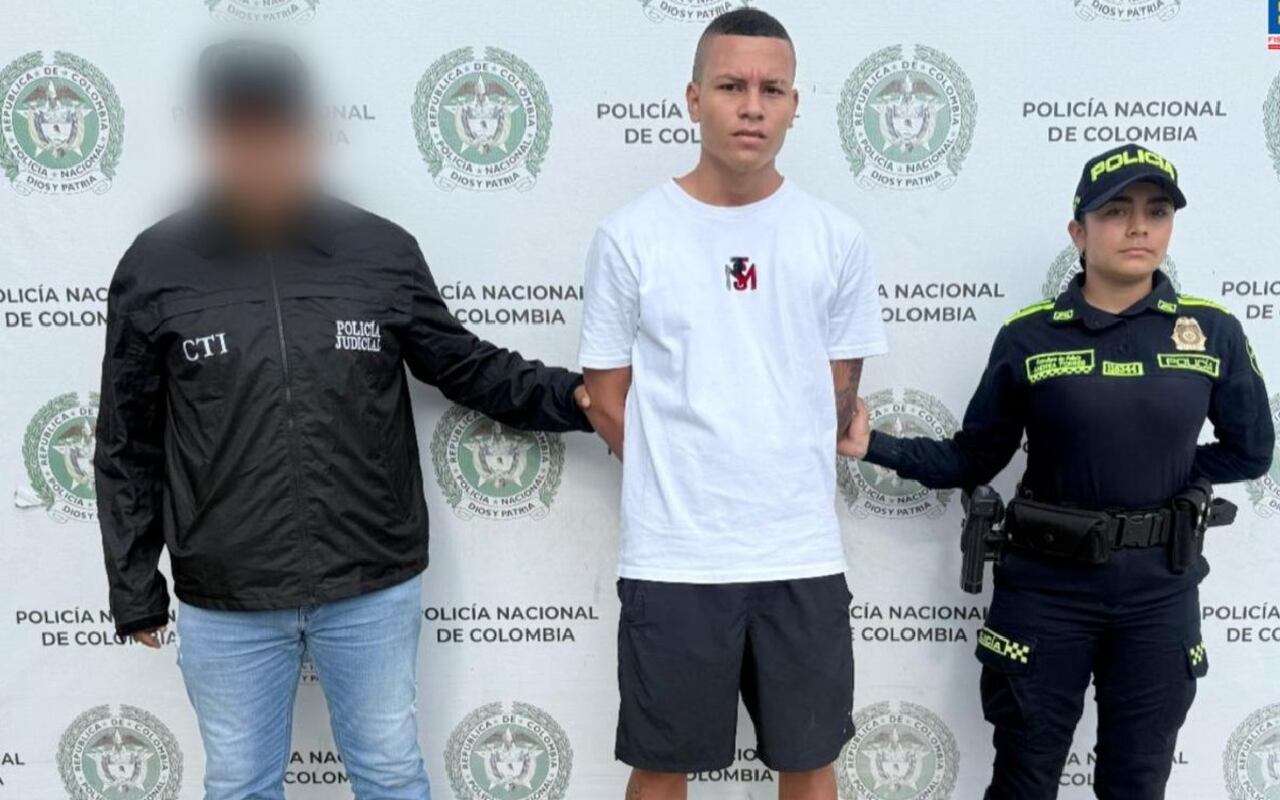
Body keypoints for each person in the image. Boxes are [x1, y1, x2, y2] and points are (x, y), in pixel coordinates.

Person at [94, 39, 599, 800]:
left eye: (278, 129)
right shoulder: (155, 265)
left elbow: (464, 366)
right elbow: (126, 440)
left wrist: (581, 399)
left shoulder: (379, 251)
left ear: (309, 134)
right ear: (211, 136)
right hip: (226, 595)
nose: (261, 151)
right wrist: (135, 585)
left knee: (391, 774)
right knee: (238, 785)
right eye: (241, 131)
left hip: (370, 582)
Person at [841, 143, 1274, 800]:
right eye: (1116, 211)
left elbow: (1250, 451)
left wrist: (1164, 482)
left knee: (1137, 783)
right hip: (1045, 590)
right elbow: (973, 458)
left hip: (1159, 594)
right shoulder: (1030, 337)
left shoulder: (1210, 332)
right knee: (1024, 781)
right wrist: (874, 444)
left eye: (1157, 211)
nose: (1138, 227)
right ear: (1079, 231)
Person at [578, 9, 887, 800]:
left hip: (800, 554)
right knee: (661, 765)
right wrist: (684, 472)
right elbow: (606, 399)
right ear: (693, 99)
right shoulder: (631, 235)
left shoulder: (836, 238)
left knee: (810, 761)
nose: (752, 106)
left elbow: (838, 395)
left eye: (771, 89)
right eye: (730, 86)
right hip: (675, 556)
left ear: (794, 105)